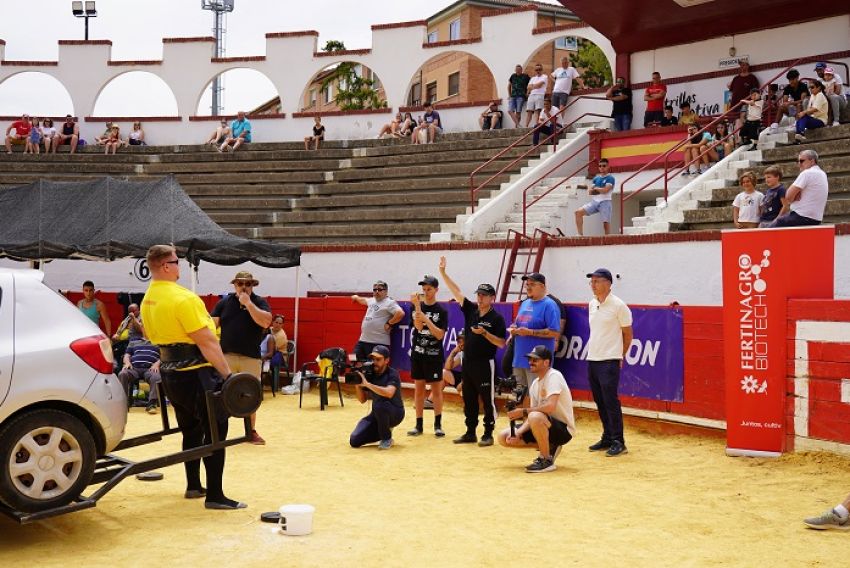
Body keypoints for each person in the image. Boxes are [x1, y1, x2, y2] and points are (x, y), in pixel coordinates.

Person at [140, 245, 245, 510]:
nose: (180, 266)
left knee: (190, 428)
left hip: (170, 375)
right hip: (195, 375)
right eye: (176, 261)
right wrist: (229, 376)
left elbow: (152, 337)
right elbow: (208, 342)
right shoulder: (183, 298)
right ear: (165, 266)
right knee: (216, 430)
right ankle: (215, 496)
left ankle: (194, 485)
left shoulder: (148, 299)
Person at [439, 257, 506, 446]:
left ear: (492, 297)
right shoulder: (471, 311)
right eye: (479, 294)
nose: (480, 298)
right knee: (468, 398)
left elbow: (501, 343)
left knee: (487, 398)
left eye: (484, 295)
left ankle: (488, 433)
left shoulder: (496, 318)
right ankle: (470, 432)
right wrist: (443, 273)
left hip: (485, 363)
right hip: (468, 361)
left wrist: (485, 333)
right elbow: (457, 292)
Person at [211, 271, 272, 445]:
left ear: (253, 286)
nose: (244, 287)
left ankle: (250, 431)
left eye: (247, 284)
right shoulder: (224, 303)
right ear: (235, 285)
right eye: (240, 284)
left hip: (250, 357)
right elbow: (211, 325)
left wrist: (248, 304)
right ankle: (218, 432)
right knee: (221, 393)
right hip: (226, 356)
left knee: (251, 396)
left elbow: (266, 322)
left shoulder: (259, 302)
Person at [497, 345, 576, 473]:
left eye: (535, 360)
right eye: (530, 359)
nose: (531, 362)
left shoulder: (554, 376)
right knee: (504, 437)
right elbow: (533, 413)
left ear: (546, 362)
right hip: (542, 424)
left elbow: (550, 407)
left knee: (535, 416)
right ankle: (550, 445)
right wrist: (519, 432)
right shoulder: (535, 384)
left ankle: (546, 459)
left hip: (563, 430)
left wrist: (523, 411)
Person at [585, 268, 633, 457]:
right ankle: (607, 437)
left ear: (608, 283)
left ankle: (618, 441)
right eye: (592, 282)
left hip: (609, 360)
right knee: (599, 400)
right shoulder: (592, 304)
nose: (593, 285)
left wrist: (620, 355)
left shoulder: (619, 305)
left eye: (597, 281)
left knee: (611, 401)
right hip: (593, 358)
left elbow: (628, 334)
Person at [407, 275, 448, 438]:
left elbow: (439, 335)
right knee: (419, 390)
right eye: (423, 289)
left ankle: (438, 424)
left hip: (434, 355)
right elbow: (417, 327)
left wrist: (426, 319)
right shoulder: (416, 307)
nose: (426, 292)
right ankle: (418, 425)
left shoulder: (442, 311)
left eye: (429, 289)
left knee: (436, 390)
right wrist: (417, 307)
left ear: (436, 290)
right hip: (418, 353)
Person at [508, 273, 561, 387]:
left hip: (538, 362)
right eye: (526, 285)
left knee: (537, 397)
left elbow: (554, 332)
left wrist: (530, 332)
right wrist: (513, 329)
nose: (528, 287)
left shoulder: (550, 305)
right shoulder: (525, 303)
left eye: (532, 284)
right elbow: (519, 323)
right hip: (519, 359)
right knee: (520, 396)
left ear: (542, 286)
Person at [349, 345, 405, 450]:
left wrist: (368, 384)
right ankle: (383, 430)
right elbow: (362, 400)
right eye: (373, 359)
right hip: (377, 413)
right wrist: (357, 383)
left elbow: (389, 393)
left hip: (395, 412)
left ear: (387, 360)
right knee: (354, 440)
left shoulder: (392, 374)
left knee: (380, 405)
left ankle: (386, 438)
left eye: (378, 359)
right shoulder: (370, 373)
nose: (374, 362)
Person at [771, 149, 828, 227]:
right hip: (816, 219)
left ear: (812, 161)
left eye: (802, 161)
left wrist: (794, 195)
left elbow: (788, 197)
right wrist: (796, 193)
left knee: (772, 228)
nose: (799, 164)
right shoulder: (822, 173)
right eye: (798, 161)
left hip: (801, 216)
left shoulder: (807, 173)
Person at [351, 280, 404, 361]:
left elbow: (400, 313)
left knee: (373, 367)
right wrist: (356, 297)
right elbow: (362, 300)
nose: (377, 292)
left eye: (380, 290)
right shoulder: (371, 300)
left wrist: (389, 323)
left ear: (386, 291)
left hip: (378, 343)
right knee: (352, 359)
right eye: (375, 290)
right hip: (363, 340)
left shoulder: (389, 302)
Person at [118, 339, 161, 414]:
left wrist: (157, 364)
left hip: (150, 369)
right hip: (134, 368)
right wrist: (127, 363)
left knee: (156, 377)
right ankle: (123, 404)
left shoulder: (158, 341)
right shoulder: (134, 342)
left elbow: (164, 355)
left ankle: (152, 404)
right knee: (122, 374)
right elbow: (126, 355)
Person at [575, 158, 615, 236]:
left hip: (605, 202)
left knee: (605, 223)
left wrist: (597, 189)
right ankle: (580, 235)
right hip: (594, 202)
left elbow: (606, 190)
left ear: (608, 167)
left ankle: (608, 239)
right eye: (600, 166)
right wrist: (599, 190)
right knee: (578, 212)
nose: (602, 167)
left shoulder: (610, 178)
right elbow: (590, 192)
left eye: (604, 166)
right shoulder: (596, 178)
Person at [727, 60, 760, 136]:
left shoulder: (752, 78)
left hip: (746, 105)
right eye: (741, 65)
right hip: (735, 106)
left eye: (744, 65)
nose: (742, 67)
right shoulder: (736, 78)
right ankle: (739, 139)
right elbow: (731, 92)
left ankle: (746, 136)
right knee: (735, 123)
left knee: (743, 118)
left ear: (748, 66)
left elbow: (756, 92)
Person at [263, 314, 289, 391]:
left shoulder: (282, 335)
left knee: (267, 362)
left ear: (282, 325)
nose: (277, 325)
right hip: (268, 352)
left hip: (279, 355)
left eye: (280, 323)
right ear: (272, 322)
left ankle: (273, 386)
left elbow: (272, 349)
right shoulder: (269, 329)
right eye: (276, 322)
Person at [507, 64, 531, 128]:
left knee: (518, 112)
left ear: (521, 70)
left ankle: (516, 126)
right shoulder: (513, 76)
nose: (518, 71)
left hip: (521, 96)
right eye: (517, 69)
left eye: (519, 69)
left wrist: (527, 93)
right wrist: (509, 95)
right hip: (513, 95)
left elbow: (530, 84)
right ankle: (518, 124)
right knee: (510, 110)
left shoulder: (525, 76)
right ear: (515, 70)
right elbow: (509, 86)